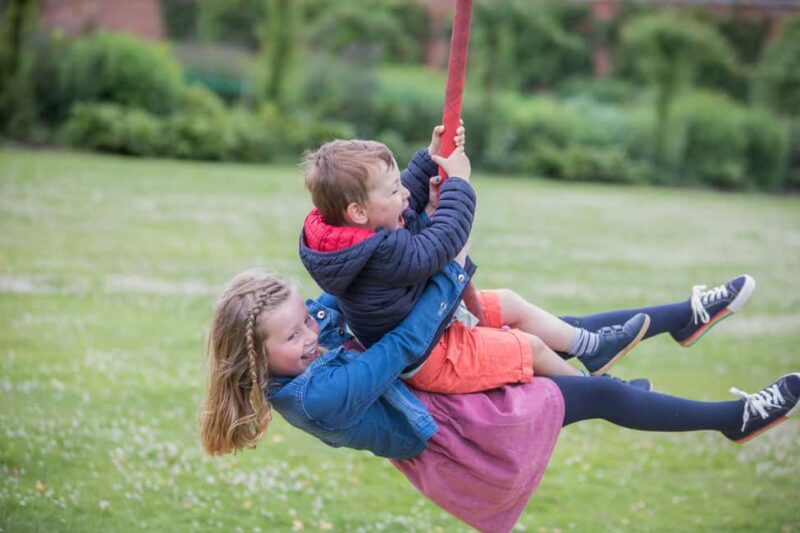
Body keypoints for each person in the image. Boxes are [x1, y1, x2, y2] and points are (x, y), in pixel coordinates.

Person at [199, 264, 797, 533]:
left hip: (439, 386)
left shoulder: (305, 339)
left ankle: (679, 319)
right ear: (253, 354)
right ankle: (733, 418)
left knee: (538, 327)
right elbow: (401, 346)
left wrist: (426, 178)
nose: (310, 335)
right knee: (601, 396)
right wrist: (448, 275)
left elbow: (348, 279)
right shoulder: (317, 396)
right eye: (294, 335)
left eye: (306, 321)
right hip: (464, 433)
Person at [299, 124, 653, 394]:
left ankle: (593, 348)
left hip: (426, 315)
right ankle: (600, 394)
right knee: (530, 348)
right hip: (428, 354)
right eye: (394, 190)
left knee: (511, 303)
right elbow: (441, 244)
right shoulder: (380, 254)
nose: (405, 192)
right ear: (358, 212)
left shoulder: (348, 236)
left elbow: (406, 190)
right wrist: (459, 184)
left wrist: (430, 155)